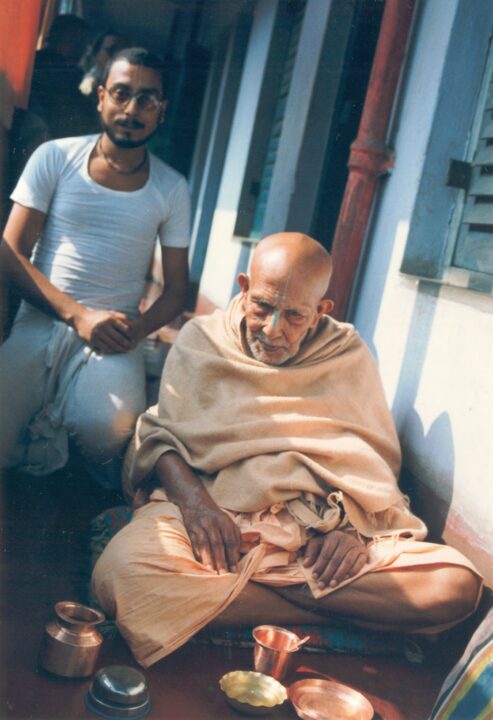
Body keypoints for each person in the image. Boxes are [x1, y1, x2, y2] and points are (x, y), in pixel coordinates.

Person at [91, 232, 482, 668]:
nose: (274, 330)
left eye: (295, 316)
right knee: (122, 577)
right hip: (219, 520)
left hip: (316, 530)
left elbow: (368, 464)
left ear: (321, 312)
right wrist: (196, 505)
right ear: (243, 287)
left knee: (458, 585)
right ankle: (345, 609)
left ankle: (268, 598)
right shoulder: (202, 339)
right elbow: (161, 437)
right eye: (262, 306)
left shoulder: (345, 353)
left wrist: (351, 531)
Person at [0, 47, 190, 489]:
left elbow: (178, 290)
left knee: (108, 432)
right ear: (101, 97)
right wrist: (77, 315)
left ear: (161, 112)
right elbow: (9, 253)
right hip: (40, 322)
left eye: (147, 99)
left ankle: (61, 452)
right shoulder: (55, 157)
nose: (131, 109)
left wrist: (135, 329)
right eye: (122, 93)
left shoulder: (171, 187)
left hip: (113, 340)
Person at [80, 30, 127, 100]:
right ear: (95, 54)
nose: (117, 55)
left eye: (124, 52)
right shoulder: (83, 80)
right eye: (111, 50)